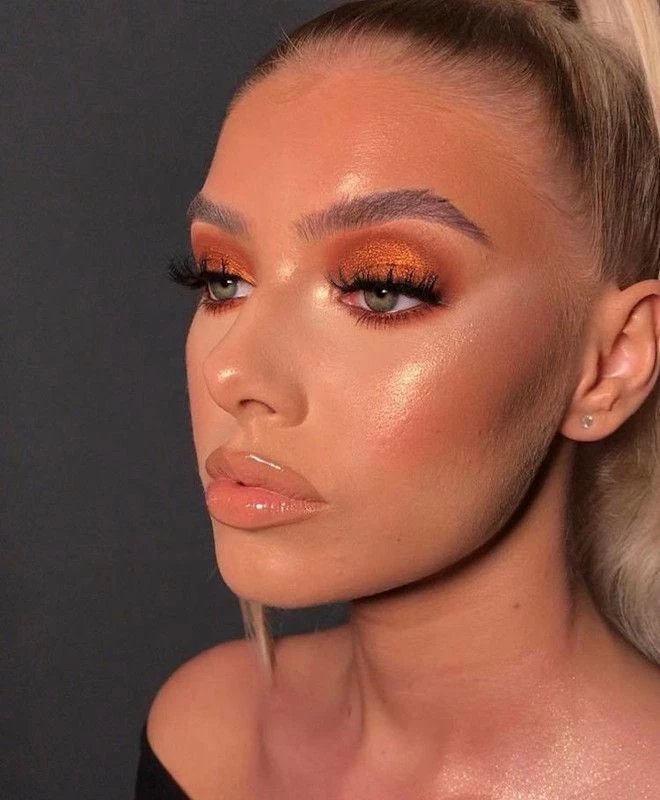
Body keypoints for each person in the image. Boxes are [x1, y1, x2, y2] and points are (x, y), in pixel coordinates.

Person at [134, 0, 660, 797]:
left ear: (612, 362)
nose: (231, 372)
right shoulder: (205, 734)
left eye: (382, 289)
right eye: (223, 280)